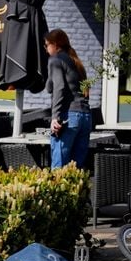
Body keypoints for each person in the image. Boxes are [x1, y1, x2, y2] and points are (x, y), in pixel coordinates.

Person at [45, 28, 92, 169]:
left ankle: (56, 193)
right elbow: (50, 87)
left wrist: (55, 117)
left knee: (58, 169)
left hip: (69, 116)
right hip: (85, 117)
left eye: (47, 45)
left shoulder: (56, 59)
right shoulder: (75, 61)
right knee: (77, 169)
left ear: (56, 45)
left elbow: (59, 88)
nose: (46, 49)